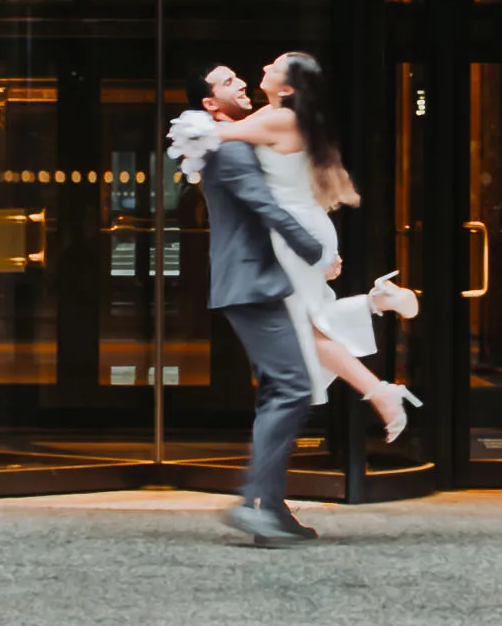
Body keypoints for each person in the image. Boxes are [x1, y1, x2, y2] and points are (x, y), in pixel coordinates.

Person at [178, 52, 421, 443]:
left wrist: (200, 121)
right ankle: (376, 307)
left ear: (288, 87)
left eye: (271, 68)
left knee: (299, 327)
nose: (260, 71)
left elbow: (212, 137)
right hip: (299, 227)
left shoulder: (281, 118)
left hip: (294, 231)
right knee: (307, 321)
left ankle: (379, 386)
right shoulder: (272, 115)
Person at [181, 60, 327, 547]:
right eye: (226, 82)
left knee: (277, 389)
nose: (240, 82)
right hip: (251, 281)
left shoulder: (224, 140)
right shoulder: (230, 146)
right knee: (293, 386)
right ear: (208, 103)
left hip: (253, 280)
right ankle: (251, 504)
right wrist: (312, 247)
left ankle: (273, 508)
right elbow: (264, 206)